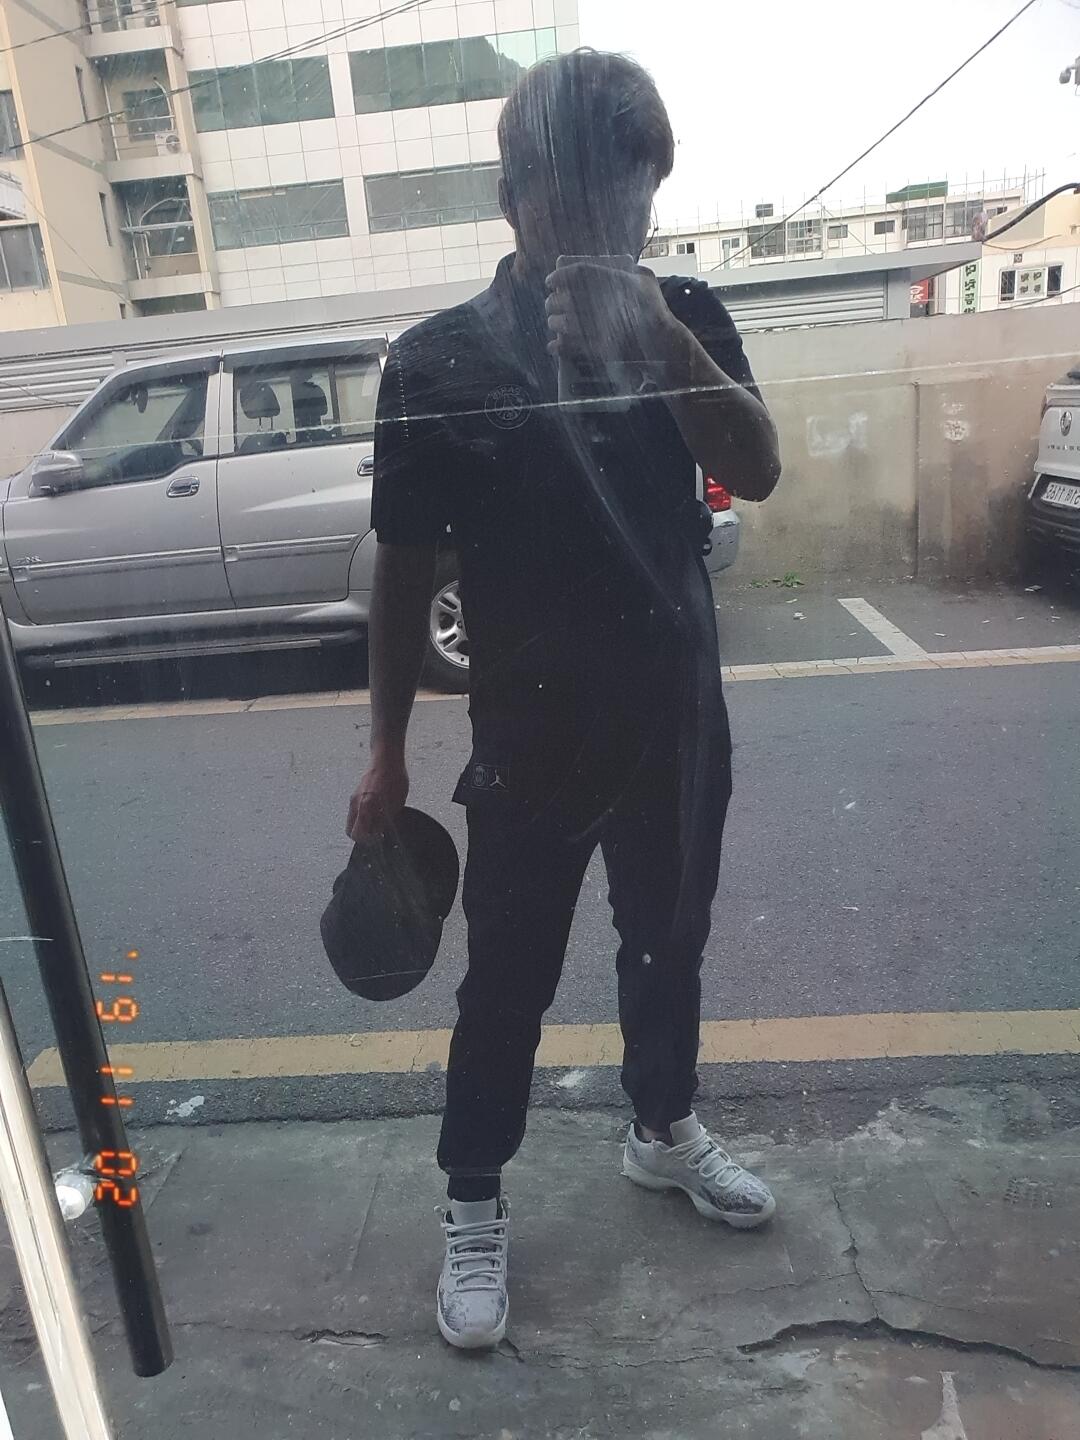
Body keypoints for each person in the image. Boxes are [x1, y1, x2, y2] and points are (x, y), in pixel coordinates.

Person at [346, 48, 782, 1351]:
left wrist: (659, 335)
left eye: (630, 196)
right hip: (529, 739)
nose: (607, 222)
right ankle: (473, 1196)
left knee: (669, 945)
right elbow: (401, 573)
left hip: (675, 728)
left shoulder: (686, 313)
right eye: (579, 194)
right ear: (513, 199)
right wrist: (385, 752)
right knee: (507, 981)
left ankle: (662, 1127)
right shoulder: (437, 362)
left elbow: (758, 466)